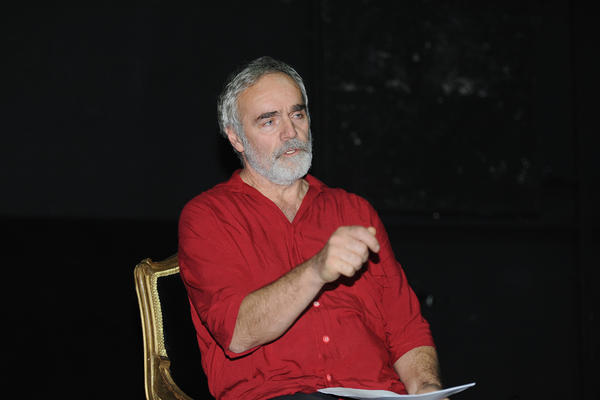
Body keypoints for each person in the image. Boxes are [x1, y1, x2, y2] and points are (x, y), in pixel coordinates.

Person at [178, 56, 445, 400]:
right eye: (269, 121)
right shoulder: (209, 217)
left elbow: (406, 328)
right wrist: (317, 269)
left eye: (297, 115)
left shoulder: (353, 210)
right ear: (236, 138)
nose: (290, 133)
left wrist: (428, 389)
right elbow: (238, 333)